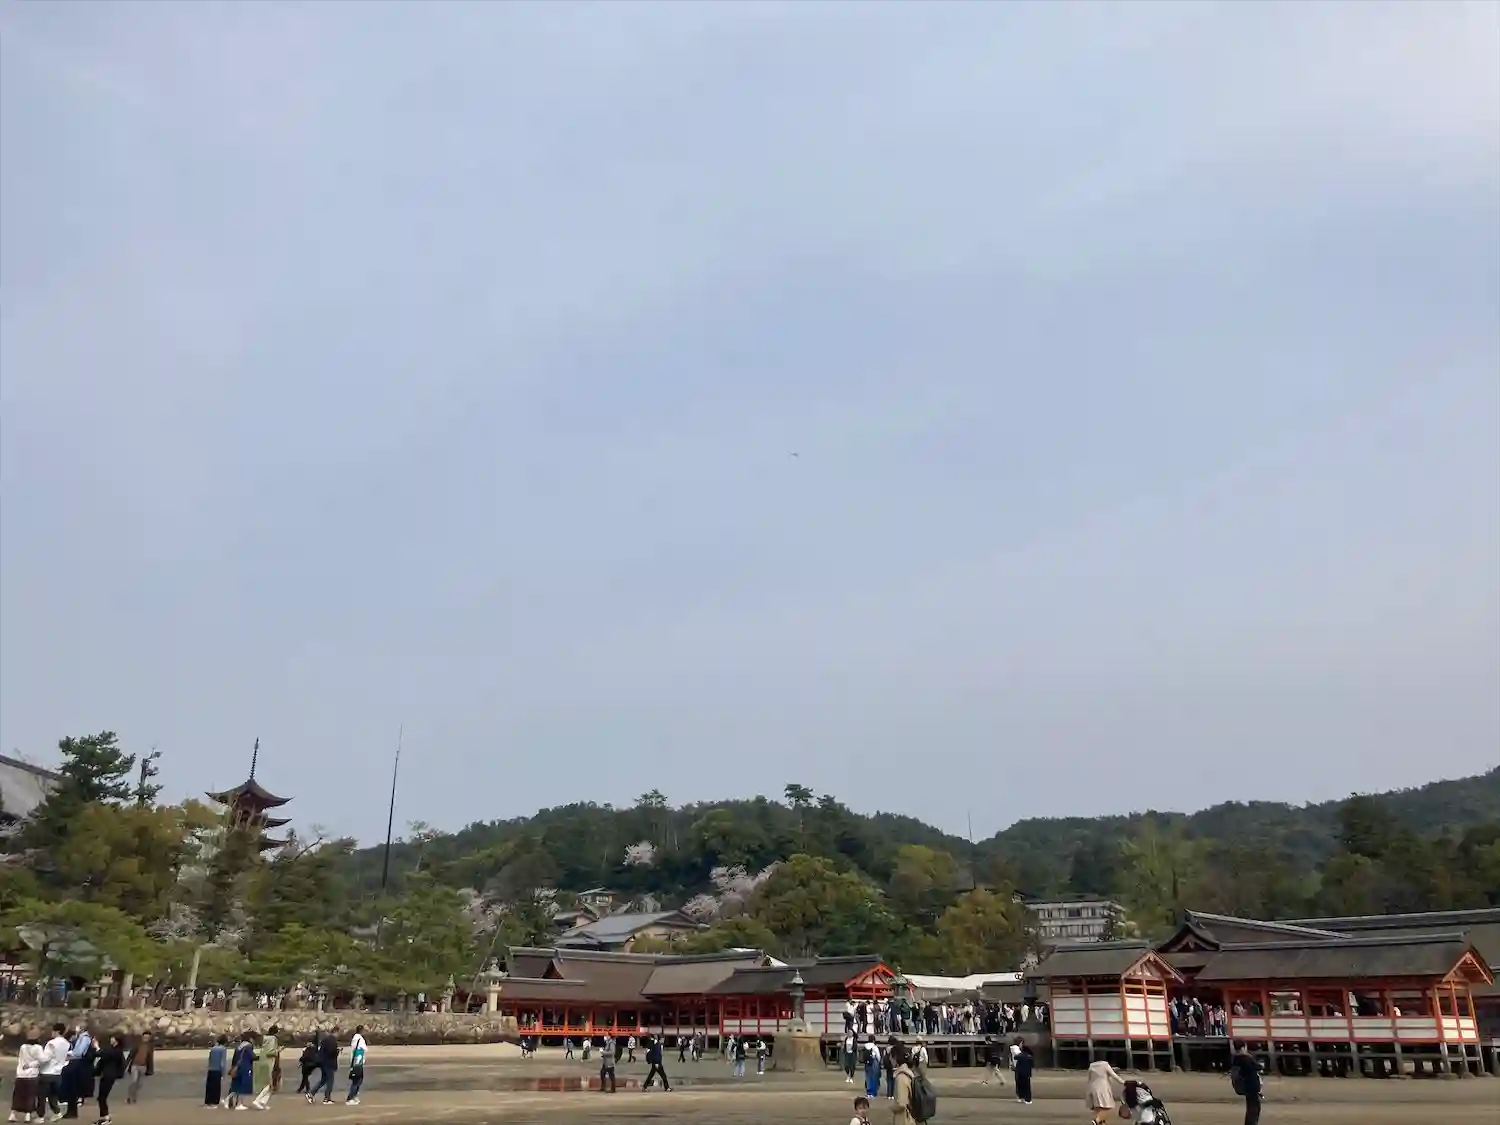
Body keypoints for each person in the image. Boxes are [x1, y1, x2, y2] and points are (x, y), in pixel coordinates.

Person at [92, 1034, 127, 1125]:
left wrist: (96, 1046)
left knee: (102, 1097)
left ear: (117, 1040)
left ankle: (106, 1118)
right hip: (106, 1075)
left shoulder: (117, 1051)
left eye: (113, 1038)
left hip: (109, 1076)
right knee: (101, 1097)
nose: (111, 1039)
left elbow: (101, 1053)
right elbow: (101, 1056)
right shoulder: (112, 1049)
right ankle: (104, 1117)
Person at [10, 1029, 43, 1123]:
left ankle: (12, 1114)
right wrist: (32, 1064)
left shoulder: (23, 1047)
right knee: (30, 1095)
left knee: (17, 1095)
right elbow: (41, 1060)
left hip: (21, 1074)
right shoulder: (38, 1048)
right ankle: (27, 1115)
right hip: (32, 1075)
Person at [62, 1021, 94, 1119]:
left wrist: (69, 1054)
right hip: (77, 1063)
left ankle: (72, 1112)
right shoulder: (81, 1037)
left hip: (78, 1064)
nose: (76, 1028)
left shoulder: (84, 1038)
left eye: (78, 1026)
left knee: (73, 1088)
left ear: (82, 1028)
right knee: (72, 1088)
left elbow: (79, 1052)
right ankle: (71, 1111)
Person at [40, 1024, 69, 1121]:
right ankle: (57, 1112)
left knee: (41, 1096)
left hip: (47, 1072)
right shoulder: (66, 1043)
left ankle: (40, 1116)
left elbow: (45, 1058)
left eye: (53, 1031)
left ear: (57, 1031)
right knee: (53, 1095)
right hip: (58, 1073)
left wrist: (36, 1060)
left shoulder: (51, 1043)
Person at [1086, 1058, 1127, 1125]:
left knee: (1098, 1107)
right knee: (1108, 1107)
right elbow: (1114, 1076)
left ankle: (1101, 1122)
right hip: (1103, 1088)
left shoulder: (1091, 1066)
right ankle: (1096, 1120)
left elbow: (1089, 1079)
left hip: (1093, 1087)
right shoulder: (1105, 1065)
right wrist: (1124, 1082)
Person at [1231, 1042, 1263, 1125]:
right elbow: (1258, 1067)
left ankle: (1249, 1123)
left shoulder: (1236, 1058)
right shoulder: (1246, 1058)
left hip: (1245, 1085)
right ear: (1243, 1048)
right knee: (1254, 1108)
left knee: (1251, 1107)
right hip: (1251, 1085)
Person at [306, 1029, 339, 1104]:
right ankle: (327, 1098)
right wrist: (337, 1051)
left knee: (323, 1080)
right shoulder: (332, 1040)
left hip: (323, 1062)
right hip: (329, 1063)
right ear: (336, 1032)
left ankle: (311, 1093)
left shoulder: (325, 1039)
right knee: (330, 1081)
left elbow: (322, 1050)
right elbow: (331, 1051)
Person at [225, 1032, 256, 1110]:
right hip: (245, 1067)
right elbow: (252, 1056)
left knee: (236, 1085)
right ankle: (239, 1104)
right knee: (243, 1086)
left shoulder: (239, 1046)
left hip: (237, 1068)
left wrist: (232, 1068)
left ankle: (229, 1101)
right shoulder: (248, 1046)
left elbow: (234, 1059)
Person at [252, 1026, 280, 1110]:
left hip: (262, 1060)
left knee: (267, 1083)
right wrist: (278, 1051)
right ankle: (258, 1100)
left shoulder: (264, 1038)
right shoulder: (273, 1039)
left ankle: (263, 1101)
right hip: (269, 1062)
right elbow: (271, 1052)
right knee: (269, 1083)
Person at [124, 1032, 153, 1106]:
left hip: (143, 1066)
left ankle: (134, 1096)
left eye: (147, 1037)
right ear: (142, 1037)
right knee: (134, 1081)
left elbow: (150, 1059)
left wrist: (150, 1069)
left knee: (139, 1084)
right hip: (135, 1065)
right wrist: (125, 1065)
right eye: (145, 1037)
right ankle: (129, 1097)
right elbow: (131, 1055)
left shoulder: (150, 1047)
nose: (146, 1039)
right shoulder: (137, 1045)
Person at [891, 1044, 917, 1125]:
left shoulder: (901, 1077)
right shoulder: (908, 1073)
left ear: (895, 1058)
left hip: (904, 1119)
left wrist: (892, 1107)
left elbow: (901, 1104)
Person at [346, 1026, 368, 1106]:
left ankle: (354, 1096)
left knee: (357, 1080)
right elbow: (364, 1049)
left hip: (355, 1061)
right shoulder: (359, 1039)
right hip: (358, 1061)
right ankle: (350, 1098)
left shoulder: (355, 1038)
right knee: (357, 1080)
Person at [205, 1036, 229, 1108]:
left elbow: (210, 1059)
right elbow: (222, 1063)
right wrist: (223, 1073)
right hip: (217, 1070)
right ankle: (214, 1102)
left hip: (211, 1069)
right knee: (216, 1087)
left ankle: (209, 1101)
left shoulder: (213, 1048)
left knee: (210, 1087)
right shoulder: (223, 1049)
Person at [1013, 1040, 1035, 1105]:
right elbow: (1032, 1065)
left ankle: (1023, 1097)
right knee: (1025, 1086)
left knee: (1021, 1085)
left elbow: (1015, 1057)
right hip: (1026, 1072)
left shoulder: (1021, 1055)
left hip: (1020, 1072)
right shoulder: (1029, 1057)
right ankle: (1026, 1098)